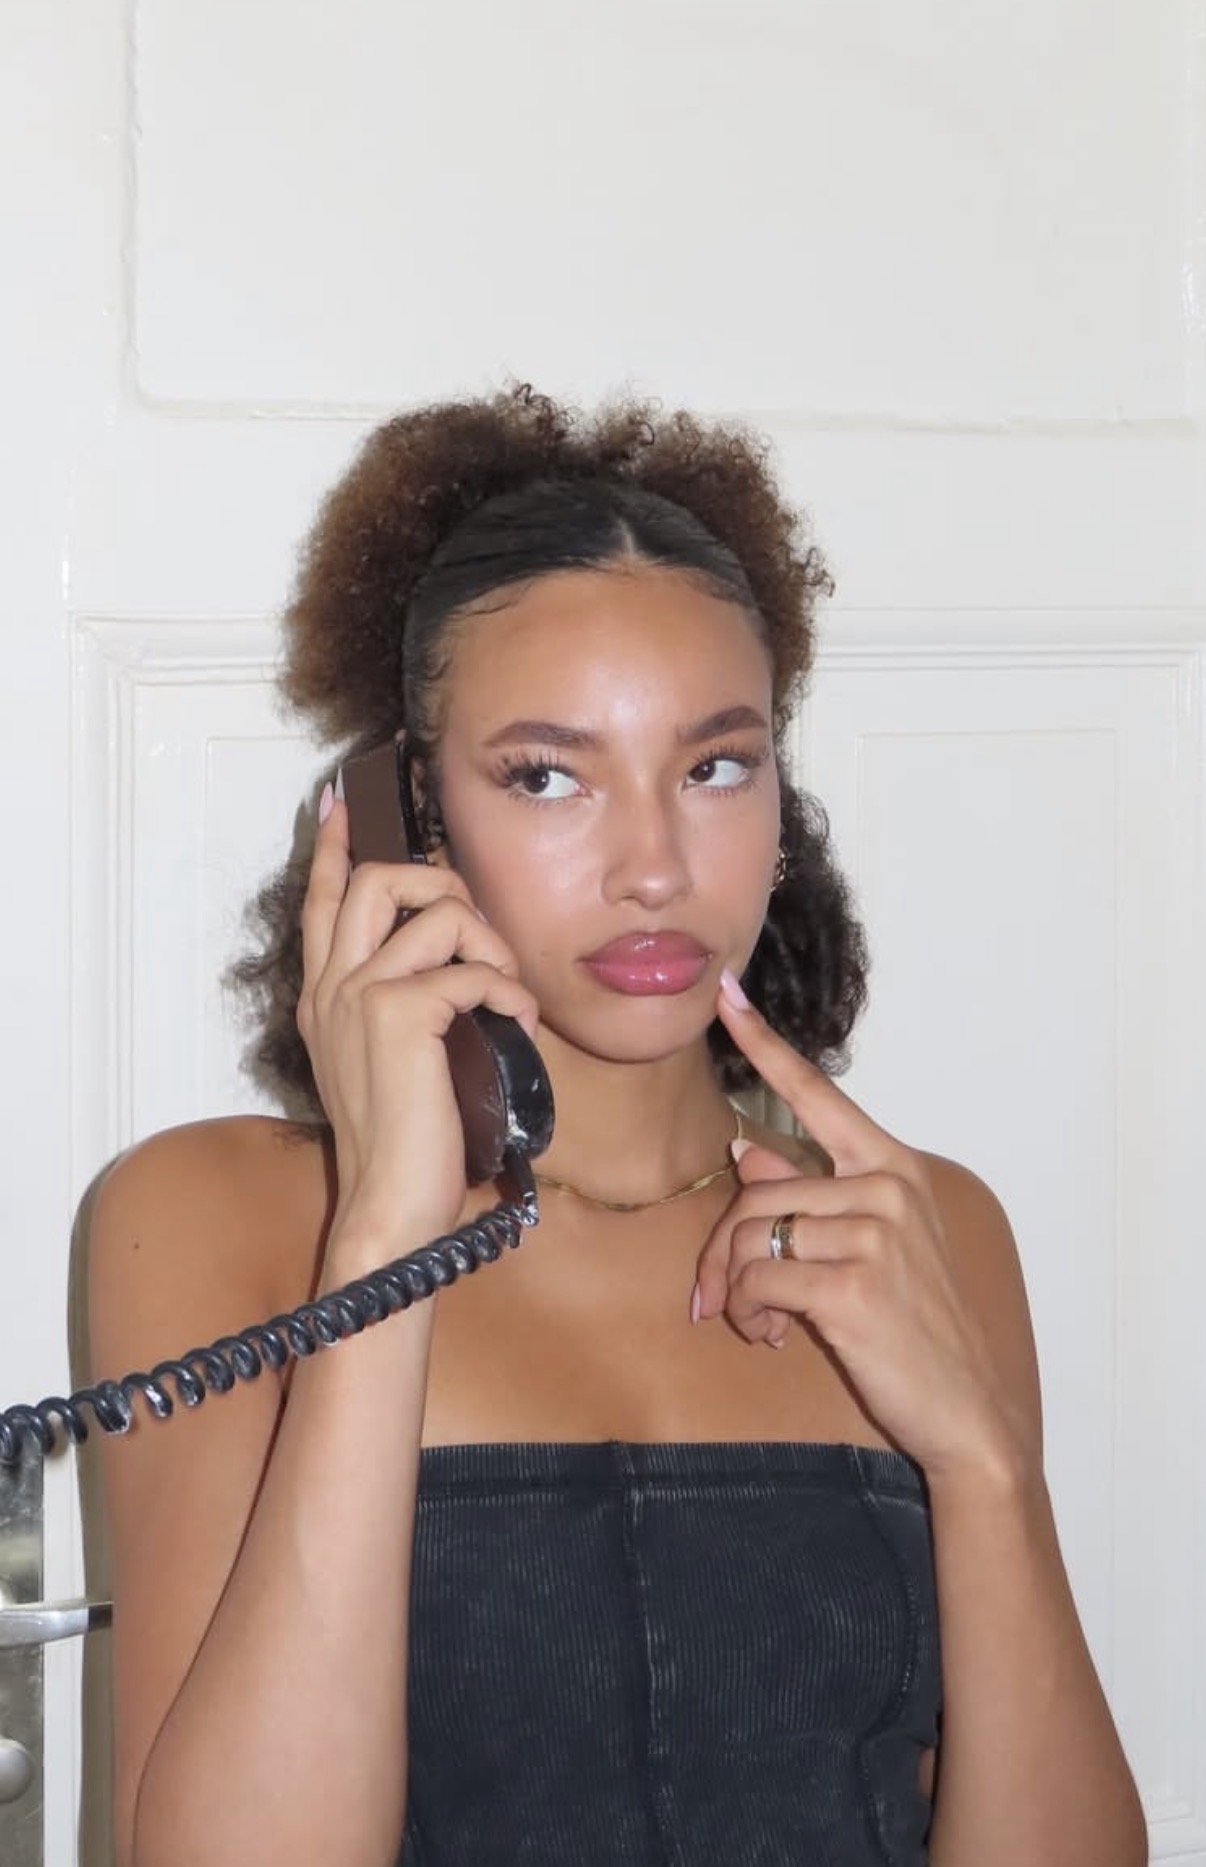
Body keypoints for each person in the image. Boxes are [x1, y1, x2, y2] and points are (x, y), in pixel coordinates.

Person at [88, 386, 1147, 1867]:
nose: (653, 865)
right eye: (547, 776)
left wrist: (980, 1465)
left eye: (715, 766)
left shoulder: (923, 1226)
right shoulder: (211, 1219)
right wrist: (387, 1241)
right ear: (407, 819)